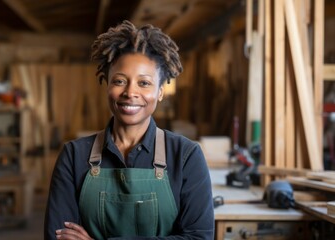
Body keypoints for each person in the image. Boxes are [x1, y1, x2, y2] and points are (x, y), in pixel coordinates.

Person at [44, 20, 214, 240]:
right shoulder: (74, 156)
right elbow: (57, 236)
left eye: (144, 83)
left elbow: (199, 238)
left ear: (160, 92)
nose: (130, 92)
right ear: (107, 85)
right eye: (120, 81)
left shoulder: (186, 156)